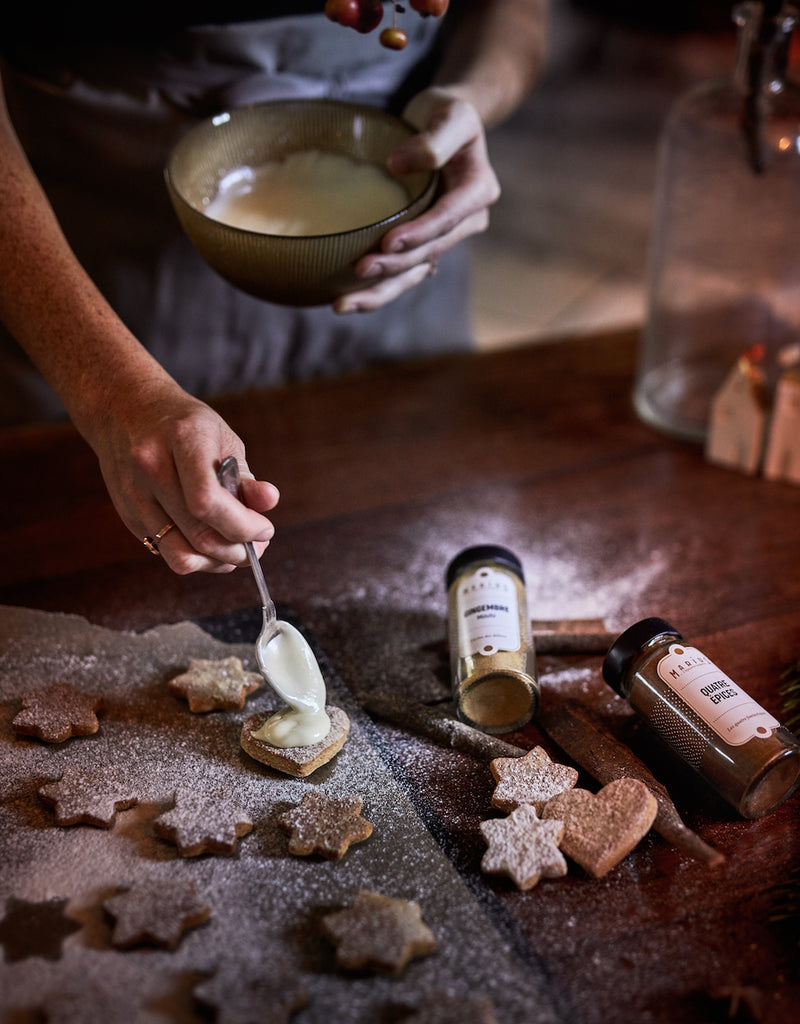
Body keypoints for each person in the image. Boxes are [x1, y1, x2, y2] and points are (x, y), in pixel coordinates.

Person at [0, 1, 547, 575]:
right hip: (90, 275)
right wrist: (110, 394)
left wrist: (474, 97)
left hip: (388, 256)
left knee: (412, 550)